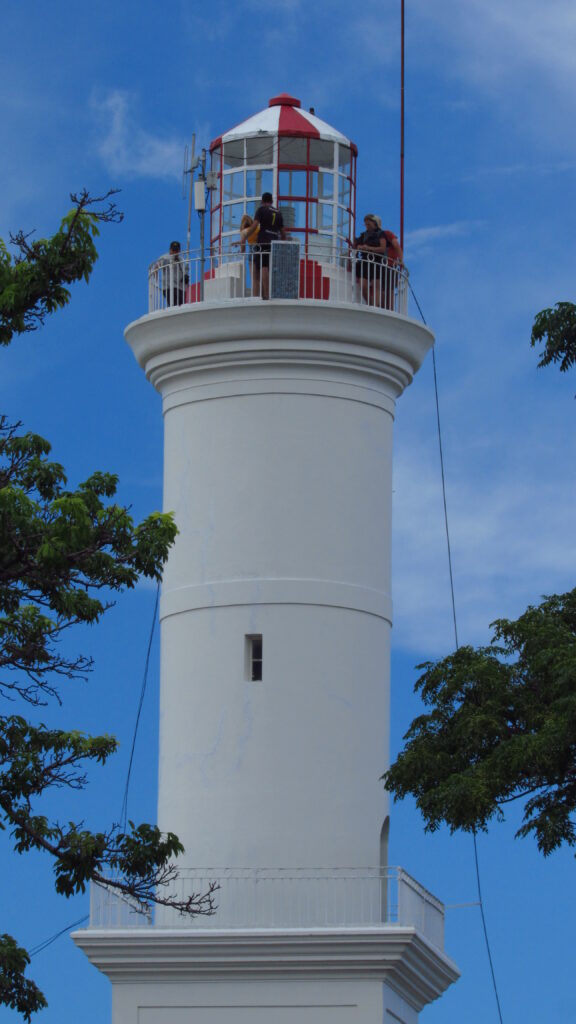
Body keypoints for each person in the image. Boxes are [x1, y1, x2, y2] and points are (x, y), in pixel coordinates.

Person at [352, 216, 403, 309]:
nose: (367, 226)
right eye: (366, 224)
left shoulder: (384, 234)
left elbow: (394, 245)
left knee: (385, 290)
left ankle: (381, 308)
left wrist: (400, 260)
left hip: (387, 265)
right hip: (382, 265)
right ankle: (380, 309)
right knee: (384, 290)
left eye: (369, 223)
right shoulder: (366, 235)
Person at [251, 192, 286, 299]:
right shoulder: (278, 213)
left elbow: (254, 226)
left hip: (263, 242)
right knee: (271, 267)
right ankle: (270, 292)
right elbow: (283, 232)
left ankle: (265, 294)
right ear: (272, 201)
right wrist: (282, 243)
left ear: (262, 201)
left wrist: (244, 237)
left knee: (263, 267)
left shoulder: (261, 210)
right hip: (274, 243)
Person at [154, 240, 188, 307]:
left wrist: (185, 276)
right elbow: (156, 267)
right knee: (174, 305)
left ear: (179, 251)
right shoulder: (165, 258)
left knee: (181, 305)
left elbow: (184, 270)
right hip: (168, 287)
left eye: (176, 250)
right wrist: (156, 280)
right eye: (173, 250)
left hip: (180, 287)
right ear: (170, 249)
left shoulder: (181, 259)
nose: (175, 252)